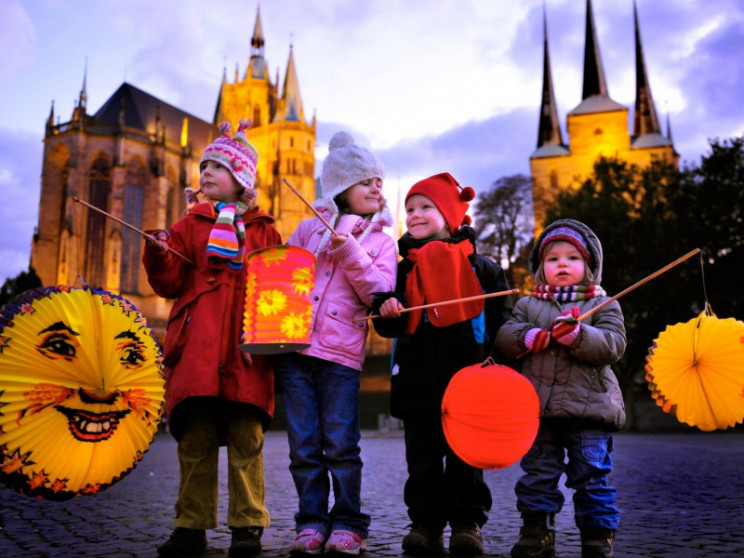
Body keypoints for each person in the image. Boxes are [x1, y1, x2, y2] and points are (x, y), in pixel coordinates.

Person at [143, 120, 282, 558]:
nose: (205, 174)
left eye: (217, 167)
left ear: (240, 179)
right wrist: (159, 251)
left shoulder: (264, 229)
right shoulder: (190, 224)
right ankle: (191, 525)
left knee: (247, 440)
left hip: (246, 356)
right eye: (203, 167)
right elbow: (168, 283)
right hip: (198, 352)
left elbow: (278, 293)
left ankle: (248, 525)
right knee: (196, 441)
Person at [372, 172, 511, 556]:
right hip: (417, 377)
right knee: (422, 460)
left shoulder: (483, 268)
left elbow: (502, 321)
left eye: (425, 207)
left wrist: (499, 365)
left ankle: (467, 524)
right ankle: (425, 524)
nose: (414, 215)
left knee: (467, 458)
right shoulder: (400, 269)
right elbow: (387, 324)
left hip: (468, 377)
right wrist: (386, 309)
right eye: (410, 209)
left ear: (449, 215)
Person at [272, 131, 397, 556]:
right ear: (342, 188)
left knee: (342, 445)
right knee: (303, 445)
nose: (377, 189)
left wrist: (351, 253)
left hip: (340, 357)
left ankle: (348, 523)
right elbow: (284, 280)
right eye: (367, 182)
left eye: (380, 182)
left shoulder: (381, 242)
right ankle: (310, 523)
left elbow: (379, 292)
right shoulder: (308, 227)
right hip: (294, 353)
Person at [494, 218, 626, 558]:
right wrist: (527, 337)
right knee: (537, 474)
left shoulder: (603, 304)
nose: (562, 264)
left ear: (590, 266)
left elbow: (614, 345)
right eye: (552, 259)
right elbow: (505, 338)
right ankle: (537, 528)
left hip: (589, 410)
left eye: (572, 257)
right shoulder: (527, 305)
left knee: (592, 473)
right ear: (541, 268)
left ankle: (597, 532)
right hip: (538, 410)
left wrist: (579, 335)